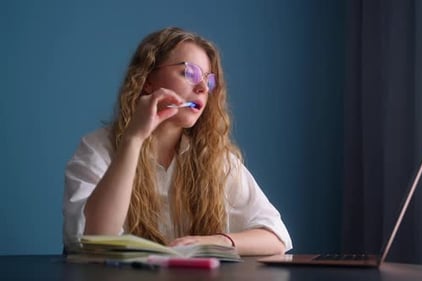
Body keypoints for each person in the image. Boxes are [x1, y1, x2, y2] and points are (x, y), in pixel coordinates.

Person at [63, 27, 292, 256]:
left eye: (208, 81)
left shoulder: (214, 157)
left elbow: (277, 236)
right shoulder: (97, 149)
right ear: (148, 80)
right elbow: (97, 239)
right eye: (189, 73)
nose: (202, 88)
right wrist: (133, 140)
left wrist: (215, 242)